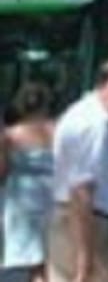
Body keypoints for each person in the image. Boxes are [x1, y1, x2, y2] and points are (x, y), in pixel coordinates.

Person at [45, 57, 108, 282]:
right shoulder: (94, 125)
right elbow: (81, 191)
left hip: (73, 225)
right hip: (96, 229)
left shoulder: (79, 115)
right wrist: (85, 258)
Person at [0, 82, 56, 282]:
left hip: (21, 200)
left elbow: (2, 169)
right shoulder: (59, 131)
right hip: (52, 196)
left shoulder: (10, 135)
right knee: (48, 260)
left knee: (27, 261)